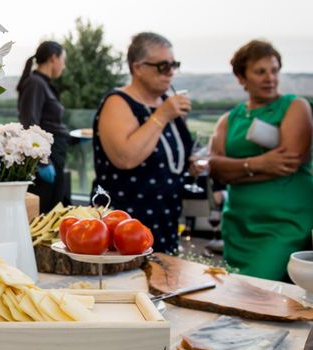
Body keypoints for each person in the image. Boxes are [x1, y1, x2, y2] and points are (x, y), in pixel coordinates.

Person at [209, 40, 313, 281]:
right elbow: (215, 168)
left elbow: (287, 164)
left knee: (262, 288)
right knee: (238, 293)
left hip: (284, 222)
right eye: (260, 71)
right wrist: (257, 163)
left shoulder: (295, 106)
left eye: (274, 70)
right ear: (241, 77)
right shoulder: (228, 119)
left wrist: (233, 170)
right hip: (239, 222)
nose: (270, 78)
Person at [90, 32, 193, 254]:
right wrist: (163, 115)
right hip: (125, 225)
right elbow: (125, 158)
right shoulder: (117, 103)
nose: (170, 72)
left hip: (165, 218)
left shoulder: (166, 102)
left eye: (174, 65)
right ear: (137, 68)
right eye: (163, 66)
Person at [17, 41, 68, 214]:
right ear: (54, 58)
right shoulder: (35, 83)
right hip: (46, 161)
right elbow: (29, 124)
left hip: (55, 157)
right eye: (63, 59)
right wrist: (43, 161)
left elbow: (49, 123)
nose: (64, 65)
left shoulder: (43, 83)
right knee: (44, 215)